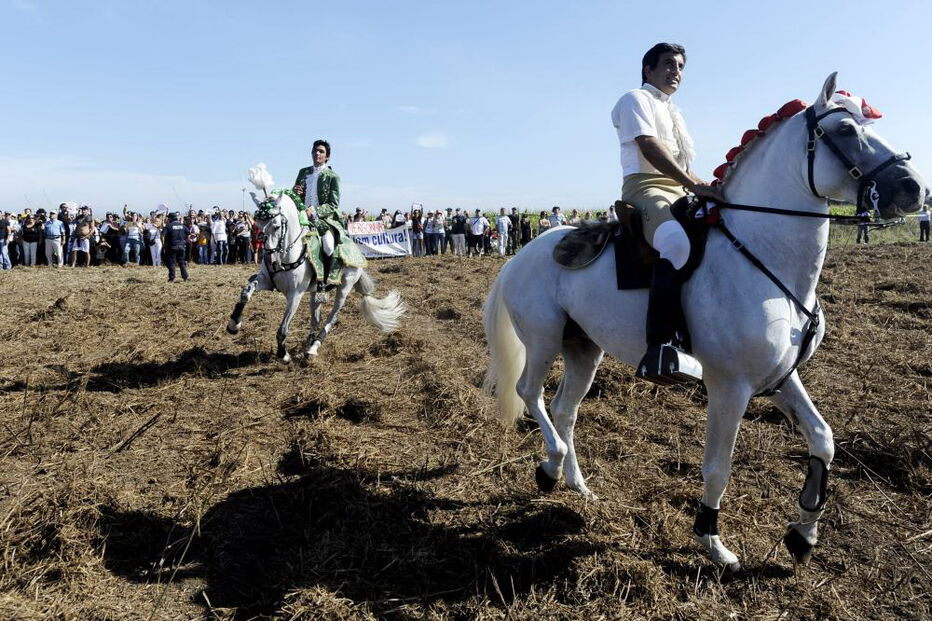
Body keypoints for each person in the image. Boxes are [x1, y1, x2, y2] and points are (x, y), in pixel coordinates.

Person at [611, 42, 723, 382]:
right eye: (668, 64)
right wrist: (692, 182)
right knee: (674, 242)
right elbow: (649, 146)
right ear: (649, 70)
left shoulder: (675, 111)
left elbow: (683, 163)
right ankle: (661, 346)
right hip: (645, 188)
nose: (676, 71)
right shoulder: (635, 99)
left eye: (680, 66)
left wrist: (703, 184)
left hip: (678, 186)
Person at [292, 139, 363, 290]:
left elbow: (333, 204)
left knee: (328, 245)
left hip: (323, 220)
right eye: (315, 151)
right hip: (301, 216)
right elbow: (296, 194)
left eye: (321, 151)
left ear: (327, 156)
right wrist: (295, 193)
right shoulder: (303, 172)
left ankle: (324, 282)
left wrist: (316, 211)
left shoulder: (333, 176)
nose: (317, 153)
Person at [162, 212, 189, 282]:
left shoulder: (168, 226)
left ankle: (172, 278)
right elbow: (188, 233)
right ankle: (185, 277)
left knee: (172, 262)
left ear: (170, 218)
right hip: (181, 246)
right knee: (181, 262)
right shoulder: (183, 226)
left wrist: (163, 244)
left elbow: (162, 236)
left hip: (172, 246)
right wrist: (184, 240)